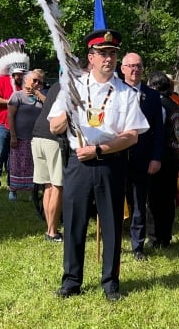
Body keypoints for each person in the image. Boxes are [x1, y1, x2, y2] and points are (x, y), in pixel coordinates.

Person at [49, 29, 149, 302]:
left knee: (112, 225)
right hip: (78, 164)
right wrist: (69, 109)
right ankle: (71, 281)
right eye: (103, 53)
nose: (109, 58)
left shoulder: (125, 94)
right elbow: (54, 126)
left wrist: (100, 149)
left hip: (110, 163)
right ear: (90, 57)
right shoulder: (73, 87)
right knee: (73, 223)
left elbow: (132, 135)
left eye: (113, 53)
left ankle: (110, 283)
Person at [120, 53, 164, 261]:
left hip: (142, 157)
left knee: (139, 202)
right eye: (130, 66)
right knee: (115, 201)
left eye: (138, 66)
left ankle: (137, 246)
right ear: (122, 69)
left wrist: (156, 157)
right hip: (116, 155)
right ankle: (115, 242)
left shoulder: (153, 96)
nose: (134, 70)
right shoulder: (113, 90)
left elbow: (159, 131)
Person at [146, 71, 179, 249]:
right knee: (167, 199)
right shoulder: (176, 106)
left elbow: (157, 133)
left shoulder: (159, 105)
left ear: (153, 86)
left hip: (161, 158)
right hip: (174, 156)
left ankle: (156, 238)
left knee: (155, 199)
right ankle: (165, 236)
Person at [31, 79, 65, 242]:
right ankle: (52, 231)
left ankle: (49, 229)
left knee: (48, 186)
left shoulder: (56, 85)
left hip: (37, 136)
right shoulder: (72, 86)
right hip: (53, 138)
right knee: (57, 186)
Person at [7, 70, 46, 201]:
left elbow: (50, 106)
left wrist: (37, 93)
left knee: (34, 164)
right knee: (17, 164)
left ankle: (32, 190)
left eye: (39, 81)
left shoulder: (41, 96)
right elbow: (10, 116)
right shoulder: (17, 95)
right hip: (20, 137)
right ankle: (14, 190)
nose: (36, 83)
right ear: (26, 80)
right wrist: (13, 135)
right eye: (34, 80)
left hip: (36, 138)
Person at [0, 65, 26, 192]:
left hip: (19, 125)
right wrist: (11, 101)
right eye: (18, 74)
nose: (20, 77)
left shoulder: (25, 84)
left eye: (22, 74)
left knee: (14, 156)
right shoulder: (1, 81)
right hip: (3, 124)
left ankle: (12, 182)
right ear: (12, 74)